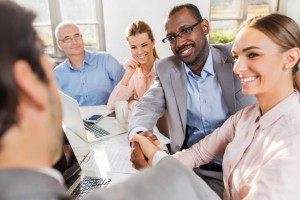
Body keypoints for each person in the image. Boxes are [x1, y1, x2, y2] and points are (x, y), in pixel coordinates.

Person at [0, 1, 220, 200]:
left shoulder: (162, 70)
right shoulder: (171, 183)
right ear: (28, 84)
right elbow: (196, 190)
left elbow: (151, 108)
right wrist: (161, 161)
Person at [130, 13, 300, 199]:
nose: (237, 68)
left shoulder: (293, 142)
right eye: (236, 57)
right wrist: (153, 156)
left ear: (290, 58)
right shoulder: (245, 117)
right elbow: (198, 153)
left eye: (253, 54)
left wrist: (157, 160)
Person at [129, 3, 256, 196]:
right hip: (187, 165)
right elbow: (146, 104)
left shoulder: (236, 58)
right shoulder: (166, 69)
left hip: (233, 168)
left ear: (204, 27)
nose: (179, 43)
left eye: (186, 30)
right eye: (171, 37)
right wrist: (137, 137)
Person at [53, 21, 124, 106]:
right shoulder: (57, 75)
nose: (74, 42)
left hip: (109, 118)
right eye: (67, 38)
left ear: (82, 38)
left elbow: (129, 86)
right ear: (59, 44)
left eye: (77, 36)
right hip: (77, 119)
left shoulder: (106, 60)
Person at [107, 20, 159, 111]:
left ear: (153, 43)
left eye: (144, 45)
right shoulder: (134, 72)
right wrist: (128, 74)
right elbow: (111, 105)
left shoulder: (162, 71)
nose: (139, 52)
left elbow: (152, 109)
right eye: (134, 47)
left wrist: (132, 103)